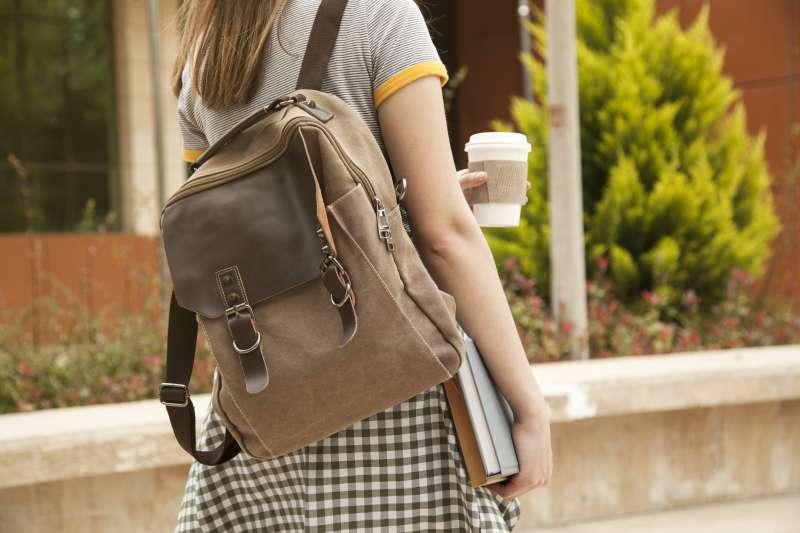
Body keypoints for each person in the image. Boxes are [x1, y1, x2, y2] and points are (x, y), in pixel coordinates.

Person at [171, 0, 553, 530]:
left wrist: (401, 212)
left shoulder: (204, 56)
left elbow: (251, 225)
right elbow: (446, 236)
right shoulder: (380, 16)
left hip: (268, 393)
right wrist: (528, 406)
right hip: (394, 383)